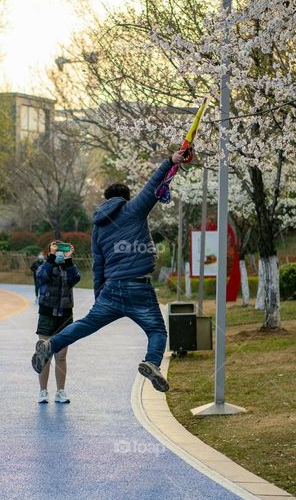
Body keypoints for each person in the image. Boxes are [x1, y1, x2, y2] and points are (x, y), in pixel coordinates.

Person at [31, 149, 191, 392]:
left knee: (85, 325)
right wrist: (171, 161)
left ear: (106, 200)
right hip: (139, 287)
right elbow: (153, 185)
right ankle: (152, 362)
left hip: (112, 289)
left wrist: (100, 298)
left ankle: (50, 345)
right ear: (126, 198)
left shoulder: (98, 228)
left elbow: (99, 265)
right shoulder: (133, 209)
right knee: (156, 330)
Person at [35, 241, 81, 404]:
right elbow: (41, 277)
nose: (60, 252)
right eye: (57, 249)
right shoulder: (46, 265)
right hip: (47, 314)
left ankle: (60, 391)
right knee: (44, 355)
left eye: (62, 249)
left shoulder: (68, 267)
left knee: (61, 356)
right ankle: (43, 391)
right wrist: (51, 258)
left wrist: (69, 259)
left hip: (65, 316)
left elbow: (75, 279)